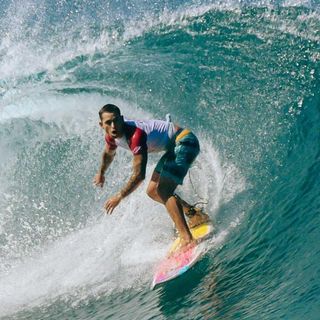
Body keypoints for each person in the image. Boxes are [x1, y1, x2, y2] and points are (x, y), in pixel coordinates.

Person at [93, 104, 209, 248]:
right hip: (174, 147)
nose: (113, 126)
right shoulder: (111, 136)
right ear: (101, 125)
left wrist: (119, 196)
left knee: (164, 190)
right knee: (153, 191)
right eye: (108, 123)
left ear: (122, 119)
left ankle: (188, 240)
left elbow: (139, 175)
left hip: (185, 142)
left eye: (116, 120)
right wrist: (101, 173)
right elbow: (108, 154)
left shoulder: (136, 135)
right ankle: (194, 214)